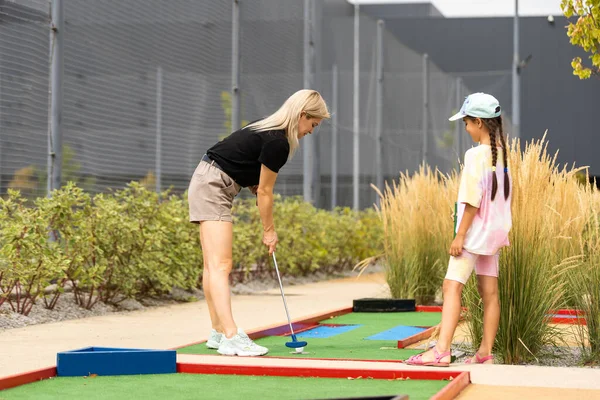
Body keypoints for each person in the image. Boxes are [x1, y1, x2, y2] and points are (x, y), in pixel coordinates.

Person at [187, 89, 330, 356]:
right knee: (220, 265)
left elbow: (241, 160)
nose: (311, 131)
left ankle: (218, 332)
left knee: (212, 265)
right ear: (302, 115)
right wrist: (269, 231)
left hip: (207, 180)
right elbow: (265, 192)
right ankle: (231, 336)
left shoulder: (267, 128)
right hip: (213, 186)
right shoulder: (279, 142)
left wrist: (252, 180)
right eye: (313, 124)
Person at [406, 92, 512, 366]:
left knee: (451, 286)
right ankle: (485, 353)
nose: (465, 129)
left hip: (475, 233)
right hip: (495, 234)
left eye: (466, 123)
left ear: (478, 122)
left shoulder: (475, 154)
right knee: (490, 293)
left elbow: (472, 200)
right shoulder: (502, 155)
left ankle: (441, 351)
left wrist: (460, 235)